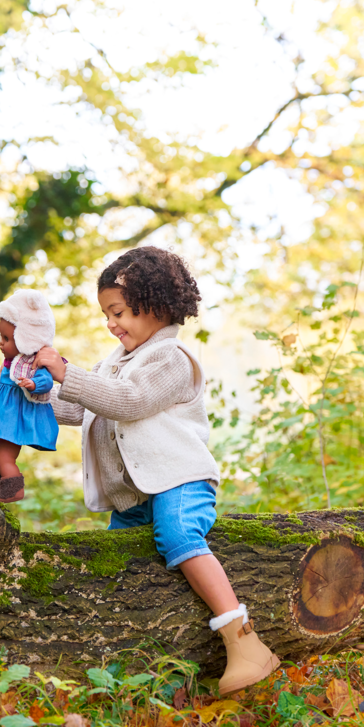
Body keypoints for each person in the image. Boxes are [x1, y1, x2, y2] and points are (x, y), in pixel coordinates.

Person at [35, 246, 279, 695]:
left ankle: (245, 642)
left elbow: (128, 402)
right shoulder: (115, 363)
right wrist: (30, 394)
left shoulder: (170, 359)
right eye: (107, 314)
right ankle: (127, 657)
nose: (111, 323)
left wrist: (67, 371)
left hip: (180, 480)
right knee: (116, 562)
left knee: (178, 536)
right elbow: (85, 409)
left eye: (119, 311)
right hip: (133, 494)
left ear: (157, 305)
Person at [0, 289, 59, 503]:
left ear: (26, 339)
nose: (1, 343)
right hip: (1, 417)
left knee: (4, 455)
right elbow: (7, 373)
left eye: (7, 338)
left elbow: (47, 380)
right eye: (0, 336)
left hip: (15, 421)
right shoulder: (11, 362)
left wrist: (33, 384)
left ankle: (14, 488)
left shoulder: (34, 362)